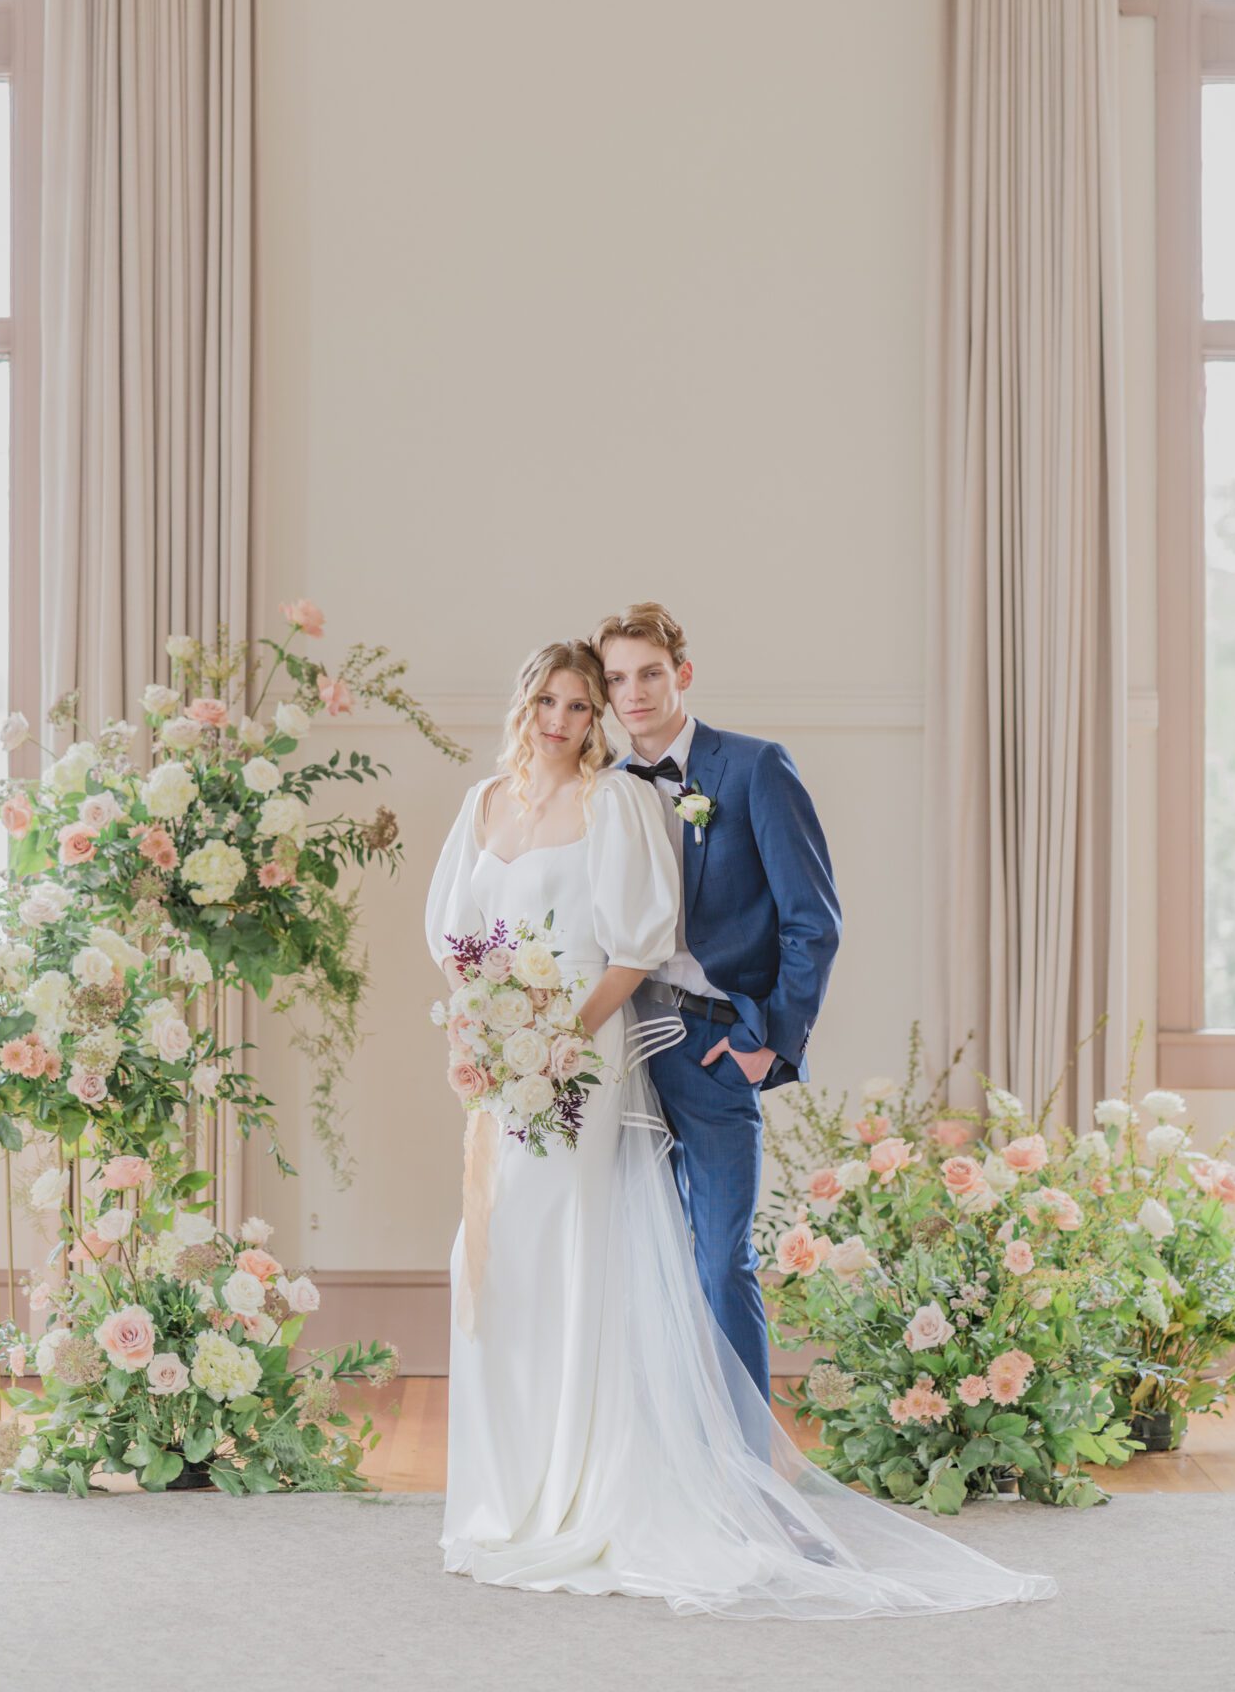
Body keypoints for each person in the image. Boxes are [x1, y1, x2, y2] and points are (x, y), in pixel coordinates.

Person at [424, 635, 1055, 1618]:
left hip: (579, 1065)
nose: (561, 719)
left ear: (603, 718)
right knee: (493, 1261)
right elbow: (454, 944)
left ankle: (639, 1484)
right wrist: (478, 1036)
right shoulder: (480, 804)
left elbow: (637, 943)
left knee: (608, 1255)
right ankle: (508, 1498)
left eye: (581, 705)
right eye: (549, 700)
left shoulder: (620, 803)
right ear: (523, 703)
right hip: (499, 1070)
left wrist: (558, 1034)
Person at [591, 599, 839, 1401]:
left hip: (713, 1044)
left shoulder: (752, 766)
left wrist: (771, 1043)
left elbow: (813, 920)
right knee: (635, 1256)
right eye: (617, 678)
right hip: (620, 1044)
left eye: (650, 674)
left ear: (681, 675)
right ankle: (660, 1466)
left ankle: (745, 1470)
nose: (634, 693)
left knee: (718, 1259)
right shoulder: (600, 789)